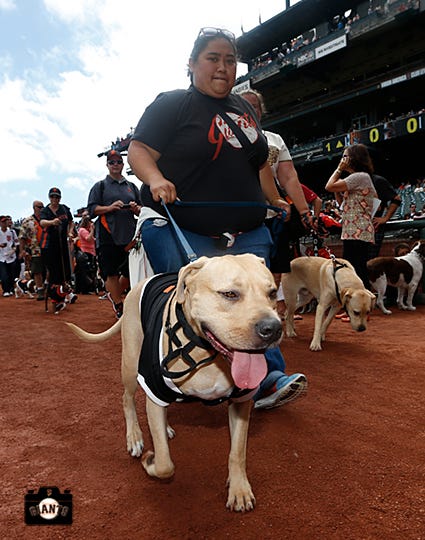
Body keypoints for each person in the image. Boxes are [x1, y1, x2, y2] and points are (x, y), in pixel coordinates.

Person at [128, 27, 307, 410]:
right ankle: (179, 371)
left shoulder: (243, 110)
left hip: (248, 229)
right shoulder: (173, 103)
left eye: (230, 59)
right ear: (191, 64)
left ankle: (266, 380)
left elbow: (260, 165)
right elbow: (139, 150)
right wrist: (156, 179)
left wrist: (275, 200)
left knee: (257, 302)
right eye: (213, 58)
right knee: (191, 303)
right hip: (183, 227)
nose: (223, 66)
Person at [240, 89, 317, 319]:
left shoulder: (275, 140)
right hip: (241, 216)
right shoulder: (225, 137)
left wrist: (304, 211)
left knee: (273, 269)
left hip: (273, 215)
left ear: (261, 111)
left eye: (254, 106)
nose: (250, 110)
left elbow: (289, 177)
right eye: (244, 105)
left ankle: (269, 314)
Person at [87, 150, 142, 318]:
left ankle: (114, 294)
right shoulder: (100, 186)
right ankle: (119, 305)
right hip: (107, 233)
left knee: (129, 272)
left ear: (123, 164)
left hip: (129, 234)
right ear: (107, 165)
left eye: (118, 161)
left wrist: (136, 208)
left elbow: (142, 210)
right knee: (110, 272)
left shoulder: (131, 186)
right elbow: (92, 210)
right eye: (112, 162)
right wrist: (110, 208)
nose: (115, 164)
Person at [325, 144, 378, 290]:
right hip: (352, 230)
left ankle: (362, 305)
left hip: (358, 231)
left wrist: (339, 169)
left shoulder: (359, 176)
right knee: (353, 270)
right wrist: (338, 191)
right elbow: (344, 206)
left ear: (354, 158)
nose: (343, 159)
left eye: (345, 156)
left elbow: (328, 186)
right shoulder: (357, 178)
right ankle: (354, 305)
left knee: (357, 271)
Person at [40, 187, 76, 313]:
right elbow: (42, 222)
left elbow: (71, 222)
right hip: (49, 245)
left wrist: (70, 232)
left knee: (65, 270)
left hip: (62, 244)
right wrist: (52, 222)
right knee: (53, 273)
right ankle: (55, 299)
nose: (55, 199)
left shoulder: (64, 209)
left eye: (57, 197)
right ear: (49, 197)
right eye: (52, 197)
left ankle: (63, 295)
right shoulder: (45, 210)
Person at [368, 173, 401, 259]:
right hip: (355, 227)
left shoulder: (377, 180)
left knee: (369, 262)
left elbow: (397, 199)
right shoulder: (352, 180)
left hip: (373, 226)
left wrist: (385, 218)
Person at [18, 200, 46, 300]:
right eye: (39, 207)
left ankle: (46, 285)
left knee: (50, 268)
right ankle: (40, 290)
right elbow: (22, 237)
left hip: (47, 248)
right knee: (37, 270)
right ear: (34, 208)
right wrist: (22, 250)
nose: (42, 209)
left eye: (43, 207)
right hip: (35, 249)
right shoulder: (27, 221)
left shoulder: (46, 219)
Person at [0, 215, 19, 296]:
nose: (5, 223)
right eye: (3, 222)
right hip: (1, 256)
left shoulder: (12, 232)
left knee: (12, 274)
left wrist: (14, 249)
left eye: (6, 221)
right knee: (4, 274)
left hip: (11, 256)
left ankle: (11, 289)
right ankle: (6, 290)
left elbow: (16, 242)